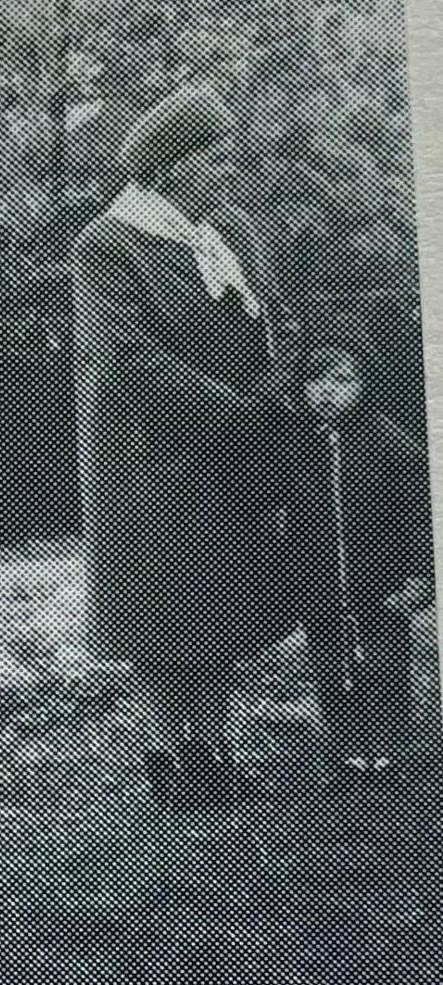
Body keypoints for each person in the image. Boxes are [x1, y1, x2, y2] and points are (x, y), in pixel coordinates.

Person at [71, 86, 292, 810]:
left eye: (230, 158)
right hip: (149, 463)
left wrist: (274, 388)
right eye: (215, 159)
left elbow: (276, 322)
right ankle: (170, 759)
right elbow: (128, 358)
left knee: (221, 608)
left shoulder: (230, 232)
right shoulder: (107, 244)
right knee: (162, 619)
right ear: (167, 169)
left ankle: (215, 749)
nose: (229, 172)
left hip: (230, 450)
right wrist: (232, 413)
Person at [278, 324, 433, 788]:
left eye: (342, 381)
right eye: (317, 381)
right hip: (320, 584)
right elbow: (281, 513)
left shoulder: (391, 445)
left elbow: (418, 515)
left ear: (364, 384)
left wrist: (420, 574)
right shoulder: (297, 444)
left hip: (381, 584)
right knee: (331, 663)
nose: (328, 392)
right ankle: (346, 746)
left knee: (385, 662)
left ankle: (387, 746)